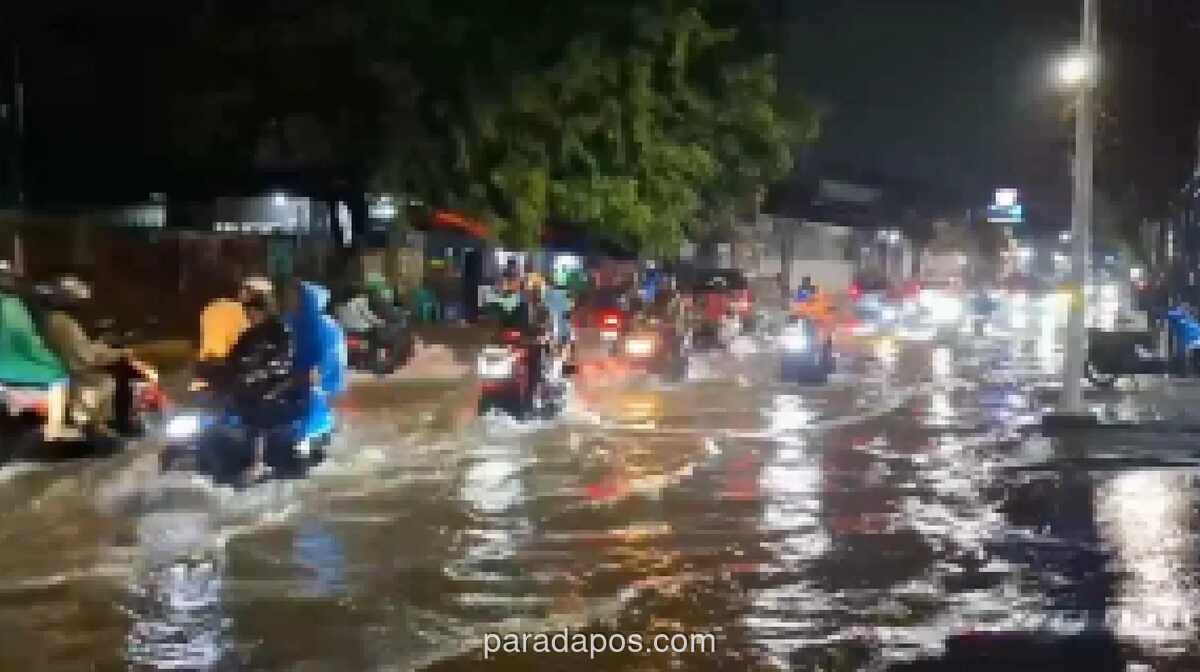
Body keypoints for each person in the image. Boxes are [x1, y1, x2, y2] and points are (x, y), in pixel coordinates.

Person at [41, 276, 154, 436]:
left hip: (69, 369)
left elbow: (83, 349)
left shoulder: (57, 320)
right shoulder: (64, 323)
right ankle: (111, 423)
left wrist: (104, 346)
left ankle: (114, 422)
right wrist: (119, 353)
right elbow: (87, 357)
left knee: (117, 372)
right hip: (79, 373)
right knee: (114, 378)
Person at [222, 288, 297, 479]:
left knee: (260, 406)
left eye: (252, 310)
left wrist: (259, 373)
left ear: (264, 310)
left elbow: (284, 362)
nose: (249, 315)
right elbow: (232, 360)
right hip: (246, 385)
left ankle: (258, 461)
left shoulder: (280, 332)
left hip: (275, 386)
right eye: (247, 311)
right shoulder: (247, 336)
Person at [284, 279, 347, 441]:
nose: (291, 301)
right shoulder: (288, 321)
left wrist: (319, 372)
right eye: (289, 297)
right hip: (291, 377)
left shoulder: (327, 326)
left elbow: (333, 355)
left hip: (318, 382)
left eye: (295, 297)